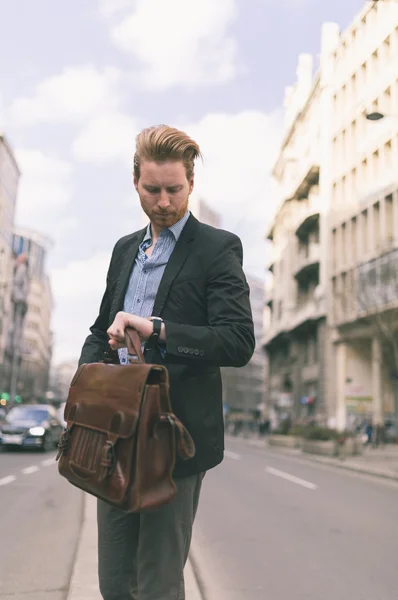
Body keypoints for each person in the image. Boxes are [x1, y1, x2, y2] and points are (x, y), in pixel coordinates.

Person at [78, 124, 255, 600]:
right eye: (152, 189)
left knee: (157, 584)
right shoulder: (123, 250)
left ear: (191, 185)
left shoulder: (217, 248)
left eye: (174, 190)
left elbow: (238, 342)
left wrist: (157, 328)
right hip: (114, 433)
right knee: (114, 582)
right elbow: (100, 330)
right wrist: (84, 388)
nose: (162, 201)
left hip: (172, 438)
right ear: (135, 182)